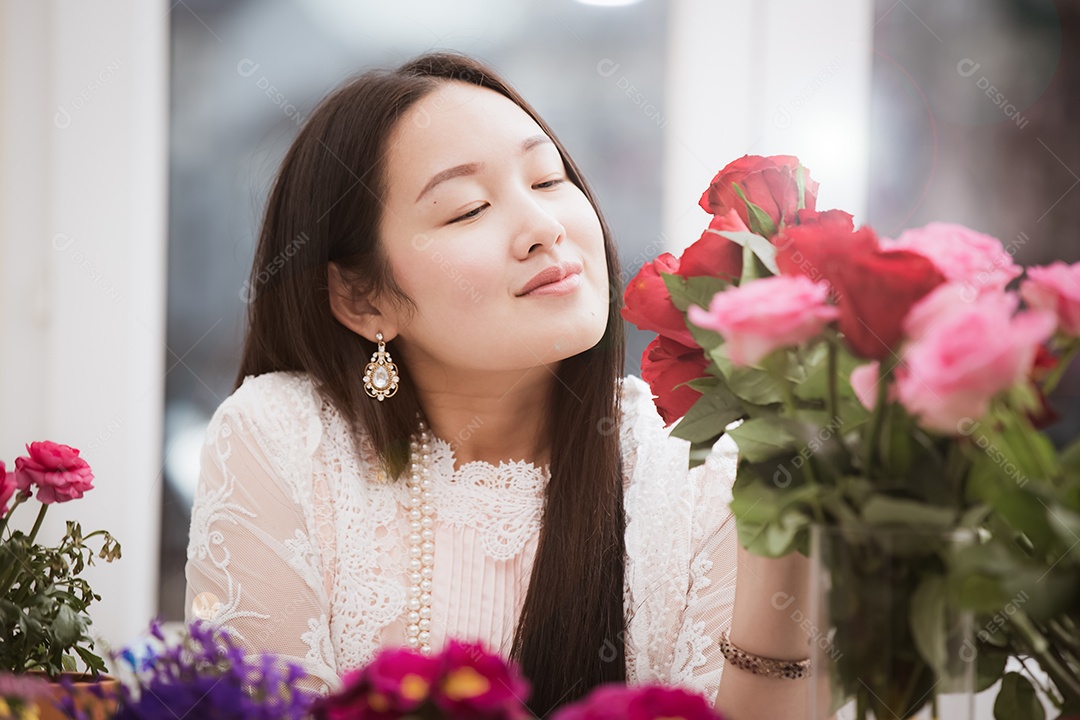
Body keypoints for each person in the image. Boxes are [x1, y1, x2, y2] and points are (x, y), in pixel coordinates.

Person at [184, 51, 811, 719]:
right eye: (467, 209)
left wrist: (786, 562)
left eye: (547, 180)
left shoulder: (704, 474)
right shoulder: (286, 440)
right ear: (363, 299)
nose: (545, 228)